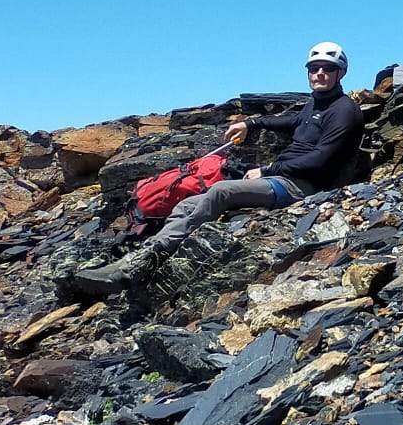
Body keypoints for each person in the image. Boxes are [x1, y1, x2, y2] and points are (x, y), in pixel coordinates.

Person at [76, 43, 366, 292]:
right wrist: (250, 122)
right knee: (187, 204)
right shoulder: (314, 105)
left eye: (326, 69)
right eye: (313, 68)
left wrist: (267, 170)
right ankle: (149, 257)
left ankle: (136, 265)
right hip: (283, 176)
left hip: (303, 186)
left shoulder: (344, 111)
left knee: (220, 190)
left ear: (340, 72)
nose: (319, 74)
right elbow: (288, 122)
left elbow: (322, 159)